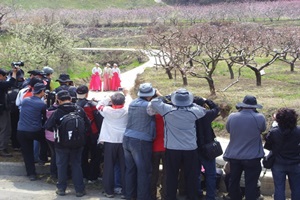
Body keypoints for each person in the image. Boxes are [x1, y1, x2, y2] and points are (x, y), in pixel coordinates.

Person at [149, 88, 206, 200]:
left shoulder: (167, 110)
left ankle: (170, 197)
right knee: (191, 175)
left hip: (172, 148)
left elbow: (154, 102)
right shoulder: (193, 111)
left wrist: (167, 96)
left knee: (171, 175)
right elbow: (203, 110)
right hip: (190, 148)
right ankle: (191, 196)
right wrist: (191, 102)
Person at [45, 90, 90, 197]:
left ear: (58, 100)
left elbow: (48, 126)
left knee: (61, 165)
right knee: (76, 165)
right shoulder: (79, 109)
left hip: (61, 144)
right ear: (70, 99)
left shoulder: (57, 112)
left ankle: (61, 189)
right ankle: (79, 190)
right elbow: (87, 124)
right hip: (78, 143)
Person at [223, 95, 266, 200]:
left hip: (234, 156)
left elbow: (229, 130)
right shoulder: (260, 117)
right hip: (253, 156)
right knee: (251, 183)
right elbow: (262, 129)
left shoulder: (232, 116)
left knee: (233, 181)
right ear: (255, 107)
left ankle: (234, 197)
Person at [122, 83, 159, 200]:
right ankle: (143, 197)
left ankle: (129, 195)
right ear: (151, 94)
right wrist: (158, 95)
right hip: (141, 141)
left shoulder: (133, 103)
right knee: (144, 171)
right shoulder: (149, 106)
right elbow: (162, 106)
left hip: (127, 138)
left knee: (130, 170)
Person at [97, 92, 131, 198]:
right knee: (124, 167)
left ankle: (109, 191)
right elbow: (130, 102)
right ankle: (125, 192)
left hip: (109, 141)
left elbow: (98, 105)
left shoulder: (107, 110)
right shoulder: (127, 111)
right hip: (123, 141)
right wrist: (127, 94)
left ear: (112, 102)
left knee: (108, 166)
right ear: (124, 102)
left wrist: (108, 98)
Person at [264, 108, 300, 200]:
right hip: (295, 163)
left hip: (278, 163)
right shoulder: (298, 131)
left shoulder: (274, 132)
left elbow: (268, 146)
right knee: (296, 188)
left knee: (279, 188)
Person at [17, 82, 48, 180]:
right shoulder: (42, 104)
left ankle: (31, 174)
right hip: (34, 130)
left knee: (27, 153)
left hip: (21, 130)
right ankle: (43, 158)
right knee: (45, 140)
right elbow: (45, 117)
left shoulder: (25, 100)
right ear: (42, 91)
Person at [194, 97, 220, 200]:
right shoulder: (207, 114)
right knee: (210, 174)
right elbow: (216, 108)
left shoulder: (190, 115)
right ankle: (210, 196)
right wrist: (207, 100)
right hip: (208, 148)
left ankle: (197, 193)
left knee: (195, 174)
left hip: (194, 147)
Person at [76, 85, 102, 183]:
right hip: (92, 133)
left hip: (79, 134)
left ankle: (84, 175)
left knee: (83, 155)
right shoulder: (91, 105)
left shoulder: (74, 105)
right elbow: (98, 119)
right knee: (95, 155)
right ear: (87, 94)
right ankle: (93, 176)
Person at [0, 68, 18, 157]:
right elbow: (11, 82)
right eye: (4, 76)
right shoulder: (1, 84)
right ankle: (2, 149)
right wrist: (14, 72)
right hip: (2, 110)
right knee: (5, 129)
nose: (5, 78)